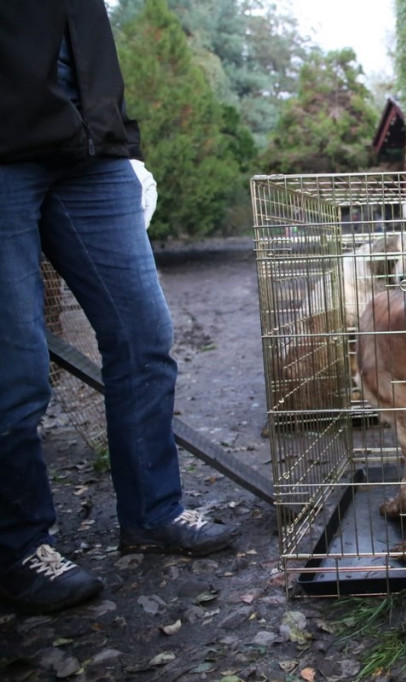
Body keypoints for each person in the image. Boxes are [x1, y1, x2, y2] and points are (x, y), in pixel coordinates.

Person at [0, 1, 235, 615]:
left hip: (92, 150)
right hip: (4, 153)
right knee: (15, 370)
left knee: (144, 337)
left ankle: (151, 514)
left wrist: (112, 128)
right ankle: (22, 546)